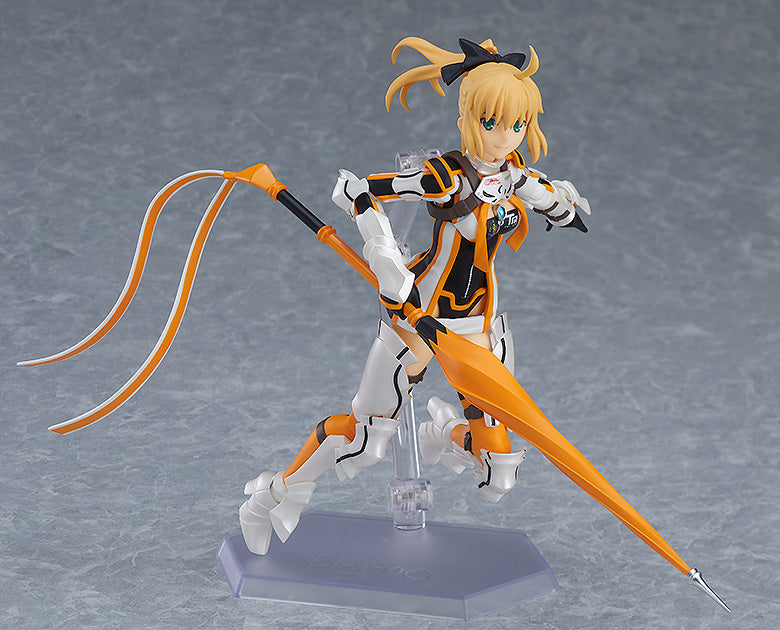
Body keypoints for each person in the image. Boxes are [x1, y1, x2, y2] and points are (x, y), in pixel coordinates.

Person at [239, 37, 590, 555]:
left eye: (517, 124)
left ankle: (440, 433)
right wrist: (384, 256)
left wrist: (560, 206)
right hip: (418, 319)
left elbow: (550, 199)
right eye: (492, 122)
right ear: (468, 118)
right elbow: (361, 192)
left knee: (498, 471)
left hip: (479, 326)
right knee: (365, 441)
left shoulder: (515, 174)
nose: (505, 136)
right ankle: (272, 495)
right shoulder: (445, 178)